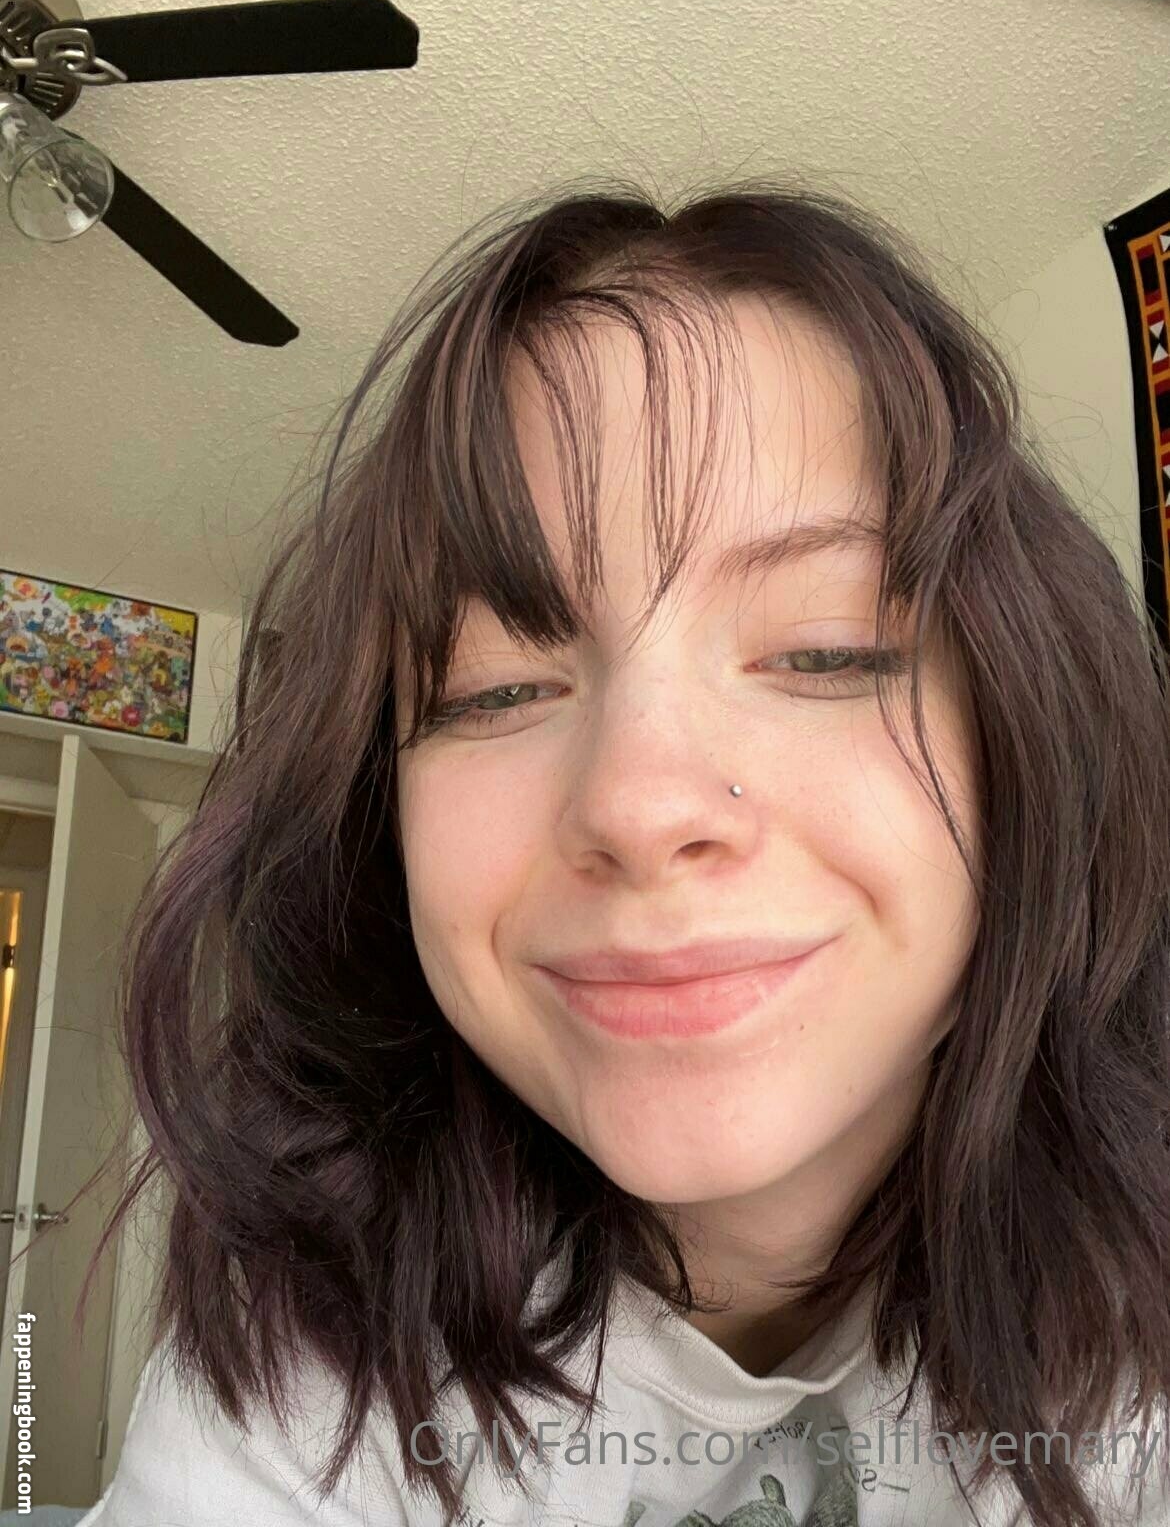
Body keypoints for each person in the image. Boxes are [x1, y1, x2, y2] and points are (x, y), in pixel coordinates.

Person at [75, 181, 1170, 1527]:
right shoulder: (311, 1351)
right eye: (491, 688)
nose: (638, 804)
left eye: (824, 650)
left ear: (1030, 739)